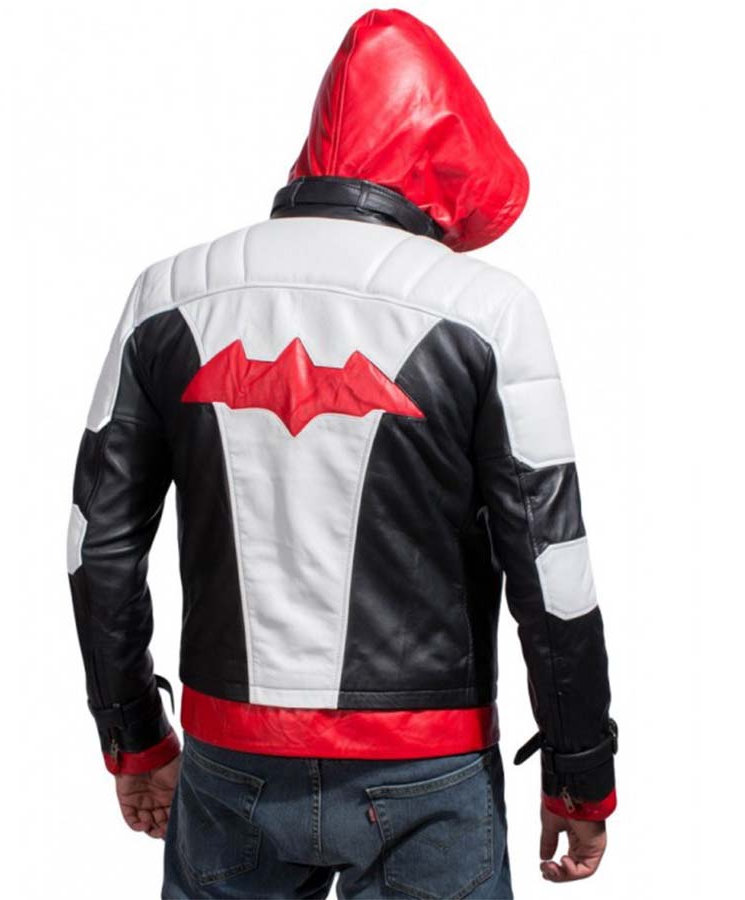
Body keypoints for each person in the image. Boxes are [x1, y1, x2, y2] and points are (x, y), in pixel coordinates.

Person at [65, 8, 618, 899]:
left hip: (230, 759)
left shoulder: (169, 294)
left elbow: (98, 547)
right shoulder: (485, 309)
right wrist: (580, 771)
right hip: (425, 766)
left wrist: (133, 736)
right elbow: (550, 565)